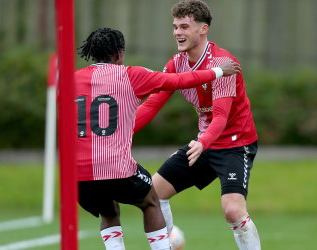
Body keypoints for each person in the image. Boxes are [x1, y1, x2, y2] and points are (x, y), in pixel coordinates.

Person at [74, 27, 240, 250]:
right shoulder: (130, 75)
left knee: (108, 209)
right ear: (119, 53)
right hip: (115, 167)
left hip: (78, 174)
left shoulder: (71, 81)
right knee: (151, 201)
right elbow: (178, 80)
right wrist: (218, 72)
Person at [134, 1, 261, 249]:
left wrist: (203, 142)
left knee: (233, 211)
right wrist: (121, 132)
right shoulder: (177, 63)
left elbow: (221, 118)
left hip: (235, 143)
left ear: (203, 29)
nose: (177, 33)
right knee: (153, 195)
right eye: (175, 27)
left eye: (184, 26)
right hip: (203, 142)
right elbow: (151, 104)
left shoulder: (225, 64)